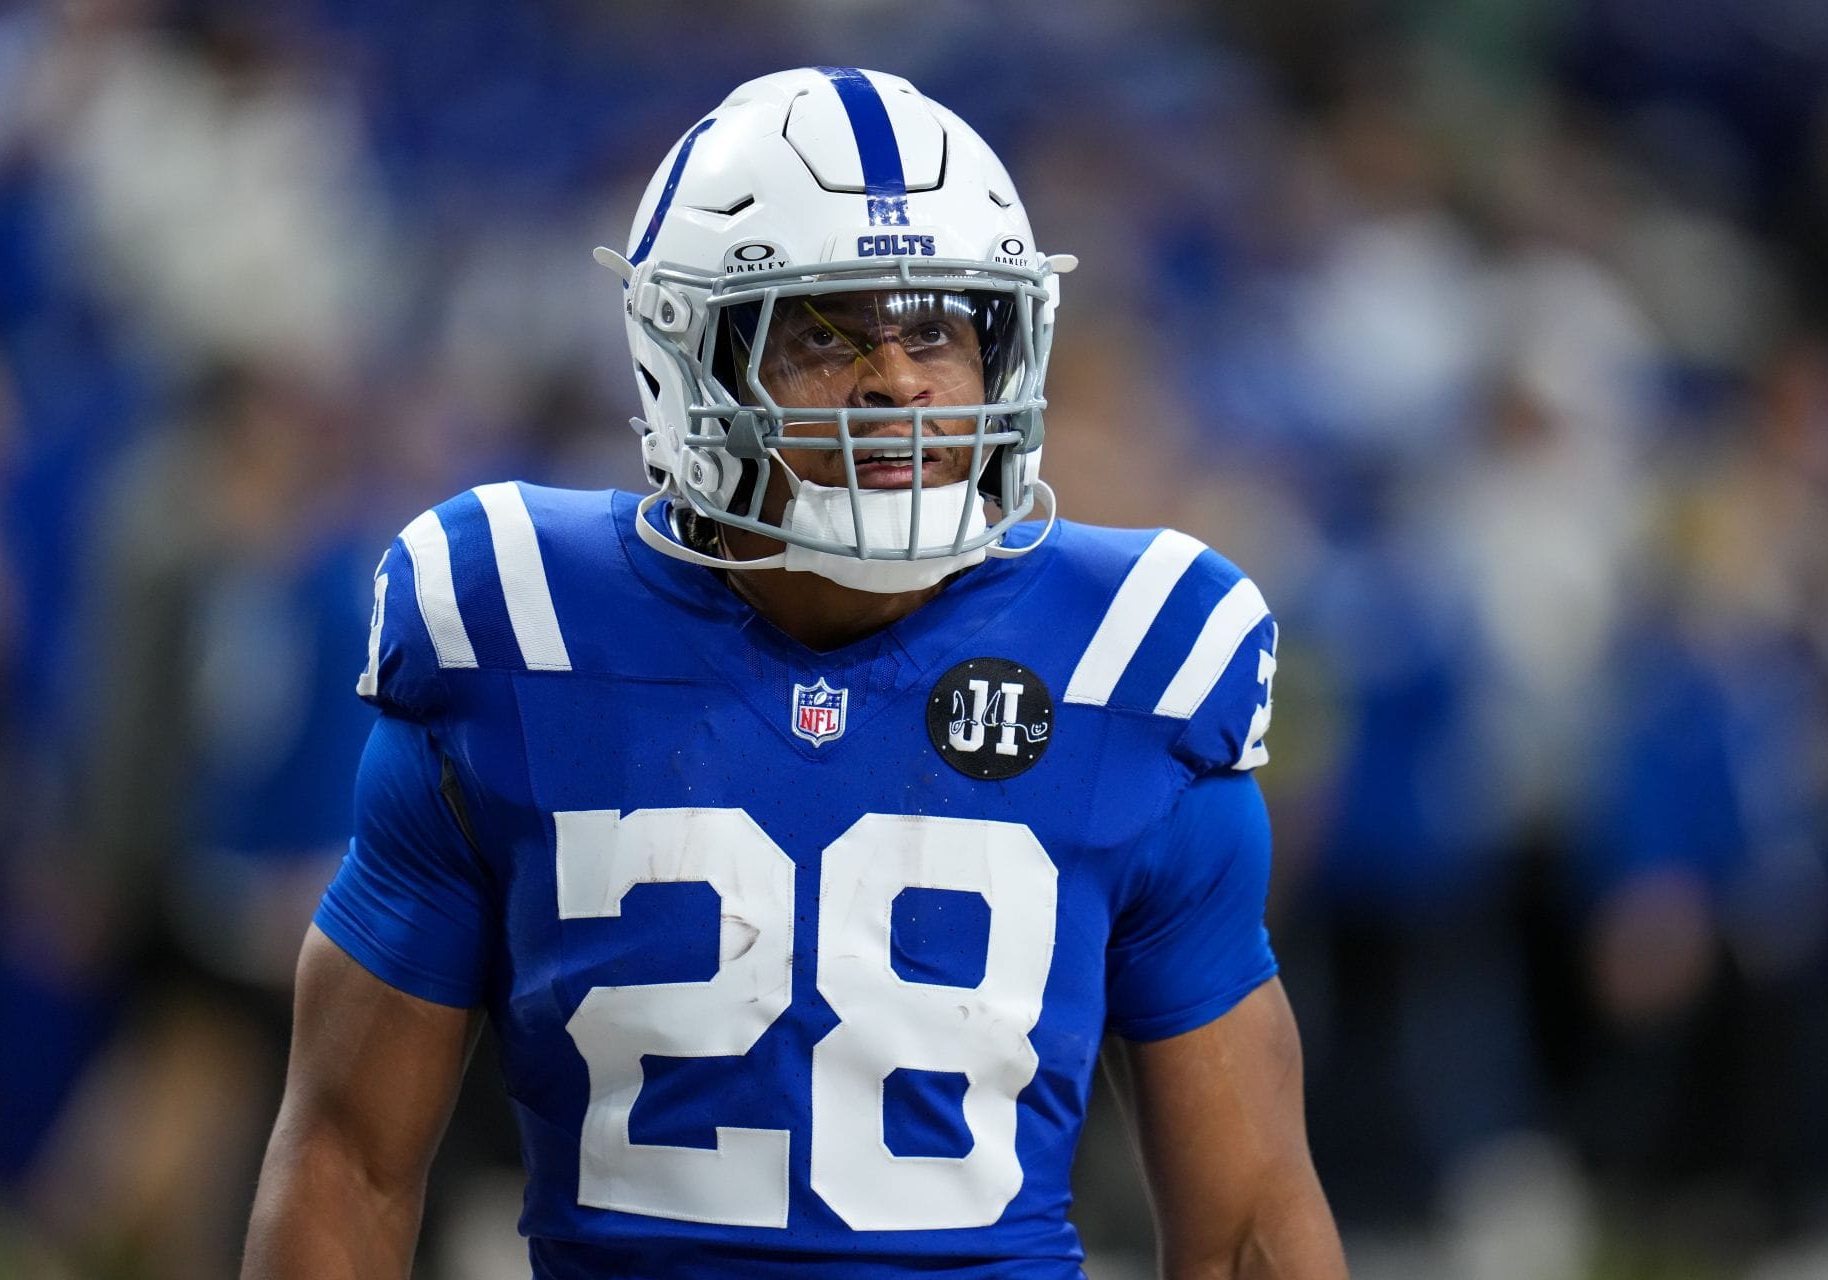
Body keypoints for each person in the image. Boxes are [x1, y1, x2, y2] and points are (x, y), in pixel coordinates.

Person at [243, 66, 1346, 1279]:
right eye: (824, 330)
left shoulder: (1136, 655)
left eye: (939, 325)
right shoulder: (518, 629)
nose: (898, 380)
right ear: (689, 354)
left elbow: (1247, 1220)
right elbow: (348, 1162)